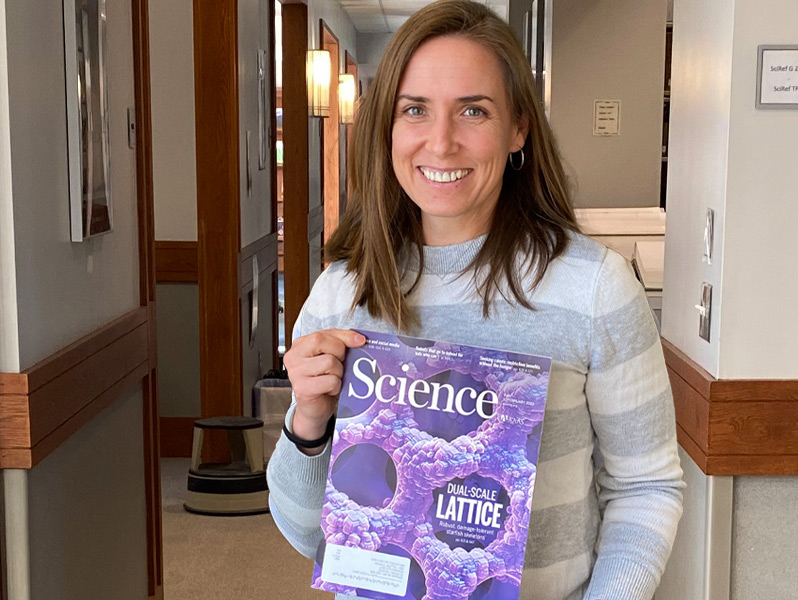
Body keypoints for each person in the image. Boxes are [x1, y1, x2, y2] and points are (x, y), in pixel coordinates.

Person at [266, 1, 684, 598]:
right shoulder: (343, 294)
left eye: (473, 110)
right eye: (416, 110)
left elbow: (646, 488)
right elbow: (310, 535)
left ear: (518, 128)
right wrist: (308, 420)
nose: (441, 142)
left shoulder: (594, 289)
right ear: (388, 127)